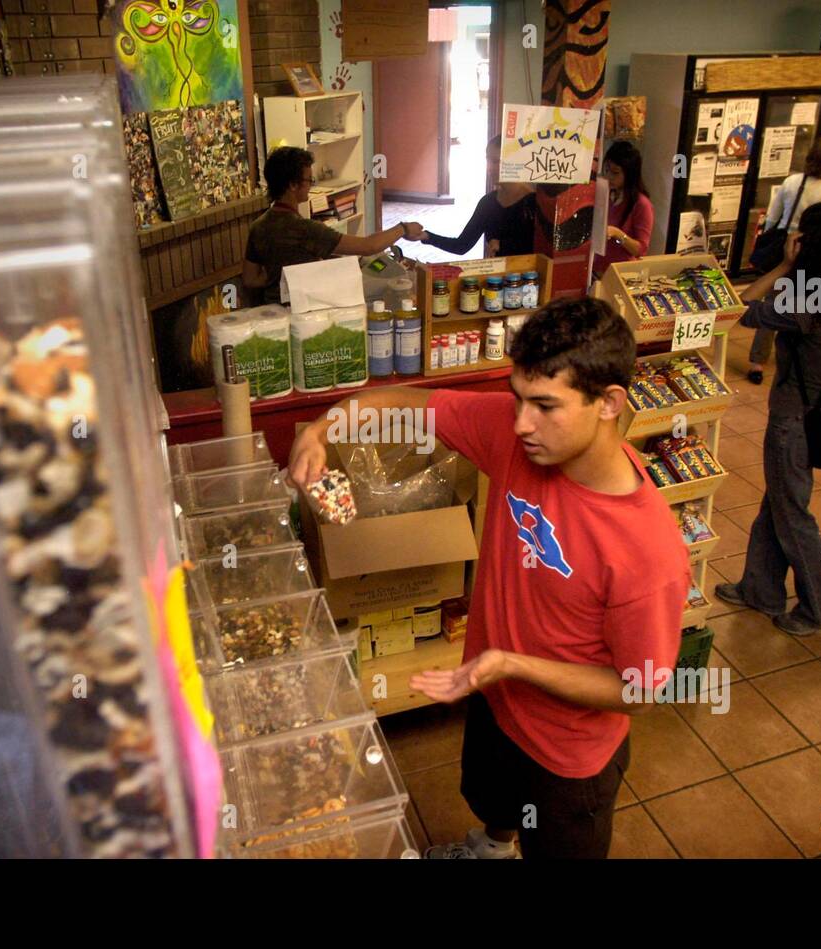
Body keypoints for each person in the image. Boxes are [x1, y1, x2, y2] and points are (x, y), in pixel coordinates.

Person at [288, 298, 690, 860]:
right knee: (493, 801)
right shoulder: (515, 434)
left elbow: (642, 690)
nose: (521, 422)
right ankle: (492, 847)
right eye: (517, 398)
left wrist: (512, 664)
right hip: (497, 698)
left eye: (545, 406)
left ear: (609, 403)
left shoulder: (646, 550)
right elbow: (406, 406)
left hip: (567, 757)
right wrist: (318, 429)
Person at [715, 202, 821, 635]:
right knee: (779, 503)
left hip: (794, 419)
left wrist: (785, 263)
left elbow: (739, 306)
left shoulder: (810, 304)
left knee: (793, 514)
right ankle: (760, 589)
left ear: (810, 243)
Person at [243, 146, 426, 305]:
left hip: (272, 309)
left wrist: (279, 276)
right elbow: (368, 246)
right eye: (308, 180)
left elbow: (250, 279)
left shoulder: (258, 226)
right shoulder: (306, 229)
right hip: (305, 310)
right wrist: (403, 228)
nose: (310, 185)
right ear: (292, 185)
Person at [747, 135, 821, 385]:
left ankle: (757, 361)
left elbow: (772, 217)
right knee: (805, 306)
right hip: (816, 255)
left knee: (772, 304)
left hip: (787, 247)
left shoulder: (793, 181)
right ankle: (795, 352)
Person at [420, 136, 536, 258]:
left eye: (496, 162)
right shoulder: (488, 203)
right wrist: (425, 236)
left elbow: (540, 248)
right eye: (488, 160)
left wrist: (504, 245)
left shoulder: (535, 202)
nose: (489, 168)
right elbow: (462, 245)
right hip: (496, 276)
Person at [590, 140, 654, 279]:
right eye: (606, 170)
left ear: (629, 174)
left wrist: (617, 234)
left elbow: (640, 249)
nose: (609, 177)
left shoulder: (641, 204)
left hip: (621, 275)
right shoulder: (604, 194)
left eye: (615, 173)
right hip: (597, 270)